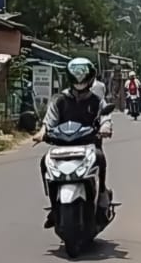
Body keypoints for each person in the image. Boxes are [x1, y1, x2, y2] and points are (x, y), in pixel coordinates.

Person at [34, 57, 113, 229]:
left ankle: (101, 196)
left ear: (90, 78)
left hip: (89, 145)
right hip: (62, 146)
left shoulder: (96, 100)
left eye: (83, 78)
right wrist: (42, 133)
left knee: (100, 158)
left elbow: (105, 117)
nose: (80, 83)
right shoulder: (59, 100)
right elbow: (49, 121)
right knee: (44, 161)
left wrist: (106, 127)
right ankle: (54, 206)